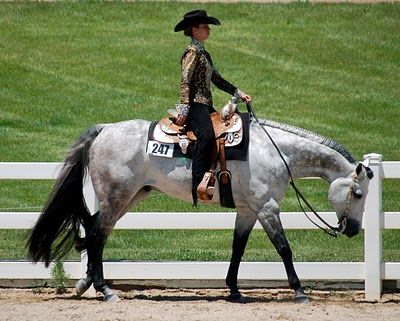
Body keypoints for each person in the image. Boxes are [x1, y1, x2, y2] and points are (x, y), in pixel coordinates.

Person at [174, 10, 251, 205]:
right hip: (195, 105)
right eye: (205, 26)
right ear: (194, 30)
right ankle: (197, 183)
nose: (208, 29)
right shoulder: (192, 52)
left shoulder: (203, 53)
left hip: (205, 105)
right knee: (207, 136)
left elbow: (216, 79)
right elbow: (185, 81)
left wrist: (238, 92)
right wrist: (184, 108)